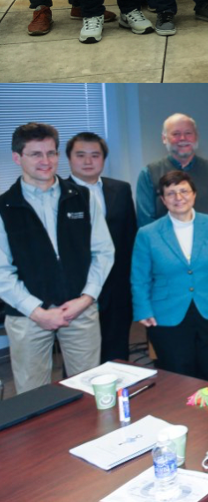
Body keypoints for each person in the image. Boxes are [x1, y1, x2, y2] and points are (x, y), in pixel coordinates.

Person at [0, 123, 114, 394]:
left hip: (80, 309)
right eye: (35, 154)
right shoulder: (5, 206)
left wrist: (86, 298)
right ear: (17, 157)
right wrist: (37, 311)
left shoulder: (82, 197)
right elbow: (2, 271)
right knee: (33, 394)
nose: (46, 161)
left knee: (88, 389)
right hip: (28, 316)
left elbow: (103, 252)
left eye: (51, 153)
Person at [131, 170, 208, 384]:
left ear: (194, 194)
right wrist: (143, 309)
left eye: (184, 191)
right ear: (163, 200)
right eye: (171, 193)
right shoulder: (147, 233)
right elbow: (139, 277)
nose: (178, 198)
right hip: (167, 311)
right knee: (177, 374)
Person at [65, 131, 137, 363]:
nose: (88, 161)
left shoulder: (121, 189)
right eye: (81, 155)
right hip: (77, 289)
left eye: (95, 155)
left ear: (104, 159)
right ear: (69, 158)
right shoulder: (58, 193)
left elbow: (130, 238)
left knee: (117, 353)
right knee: (80, 357)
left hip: (117, 286)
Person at [136, 113, 208, 226]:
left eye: (188, 133)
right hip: (164, 238)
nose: (182, 138)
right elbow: (146, 222)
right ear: (164, 139)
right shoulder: (149, 174)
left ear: (196, 136)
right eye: (176, 134)